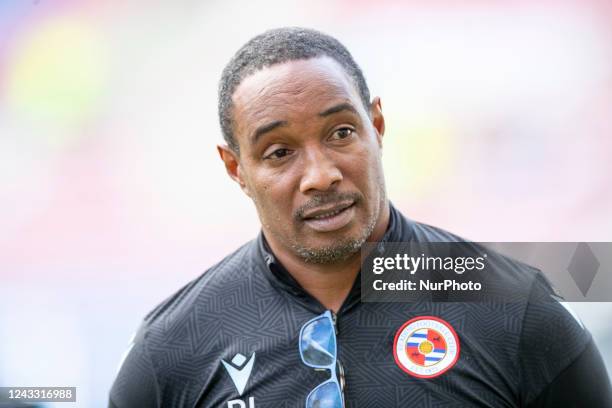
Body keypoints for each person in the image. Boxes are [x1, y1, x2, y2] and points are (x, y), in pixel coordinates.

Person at [109, 27, 611, 407]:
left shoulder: (513, 307)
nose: (321, 175)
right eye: (280, 151)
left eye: (342, 133)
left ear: (377, 126)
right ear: (236, 168)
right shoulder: (174, 349)